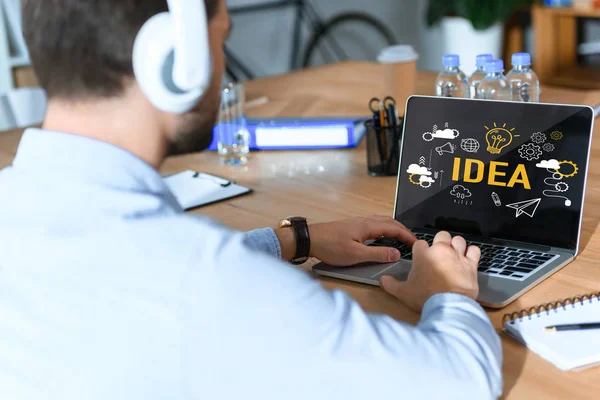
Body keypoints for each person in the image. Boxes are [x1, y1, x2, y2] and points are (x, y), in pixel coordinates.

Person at [0, 0, 502, 399]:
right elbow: (460, 380)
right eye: (220, 41)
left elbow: (124, 268)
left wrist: (293, 240)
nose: (224, 74)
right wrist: (448, 293)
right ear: (175, 60)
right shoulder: (205, 284)